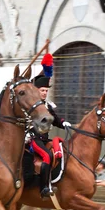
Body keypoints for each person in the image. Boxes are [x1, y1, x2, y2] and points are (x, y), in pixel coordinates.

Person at [27, 61, 72, 198]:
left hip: (45, 138)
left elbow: (56, 119)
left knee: (61, 152)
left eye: (46, 91)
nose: (45, 93)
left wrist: (64, 123)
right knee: (47, 156)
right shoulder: (31, 105)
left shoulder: (48, 106)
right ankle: (44, 187)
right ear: (36, 90)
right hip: (32, 138)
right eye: (42, 90)